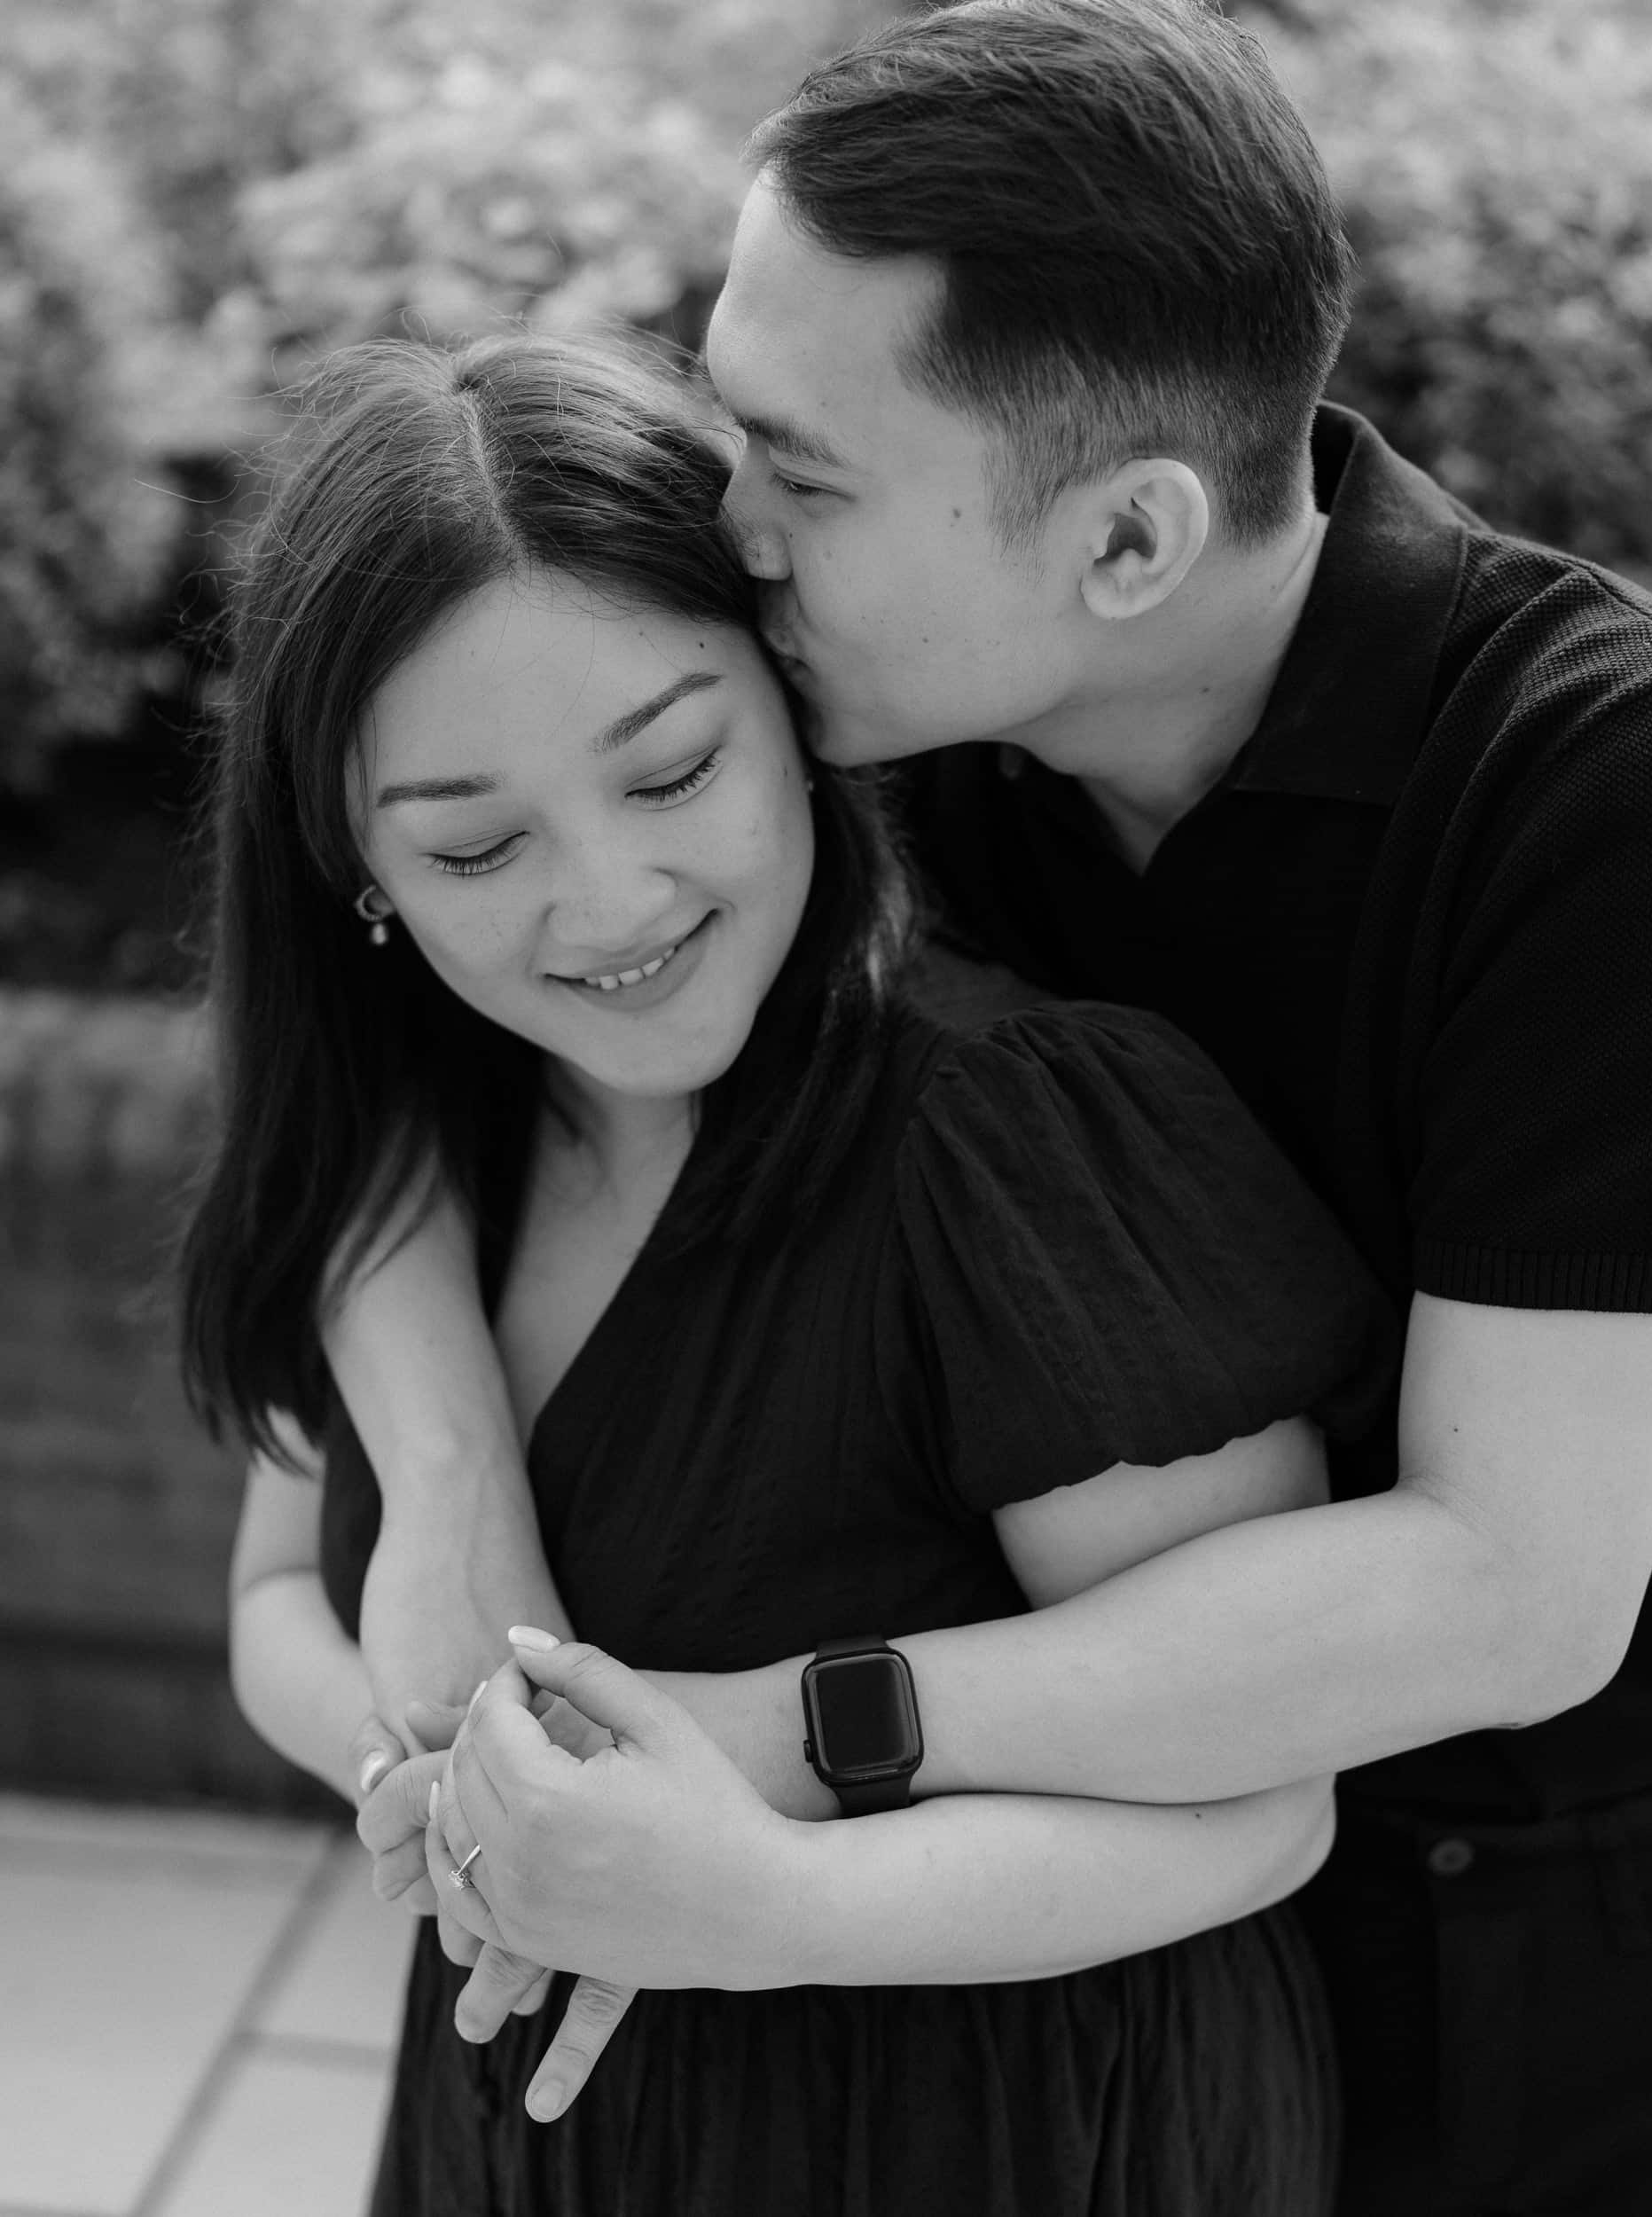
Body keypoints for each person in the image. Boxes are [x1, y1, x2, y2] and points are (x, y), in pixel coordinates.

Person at [339, 4, 1652, 2213]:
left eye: (806, 473)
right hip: (969, 1972)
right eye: (730, 417)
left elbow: (1514, 1587)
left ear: (1125, 543)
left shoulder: (1590, 800)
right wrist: (446, 1467)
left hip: (1512, 1970)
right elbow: (387, 1011)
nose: (726, 522)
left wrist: (771, 1728)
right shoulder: (882, 689)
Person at [181, 330, 1398, 2215]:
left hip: (1000, 2128)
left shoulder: (1012, 1140)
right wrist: (432, 1769)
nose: (608, 903)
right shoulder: (402, 1151)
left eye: (674, 770)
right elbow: (277, 1594)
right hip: (531, 2133)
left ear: (795, 704)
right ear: (358, 871)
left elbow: (1262, 1800)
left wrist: (775, 1901)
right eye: (476, 846)